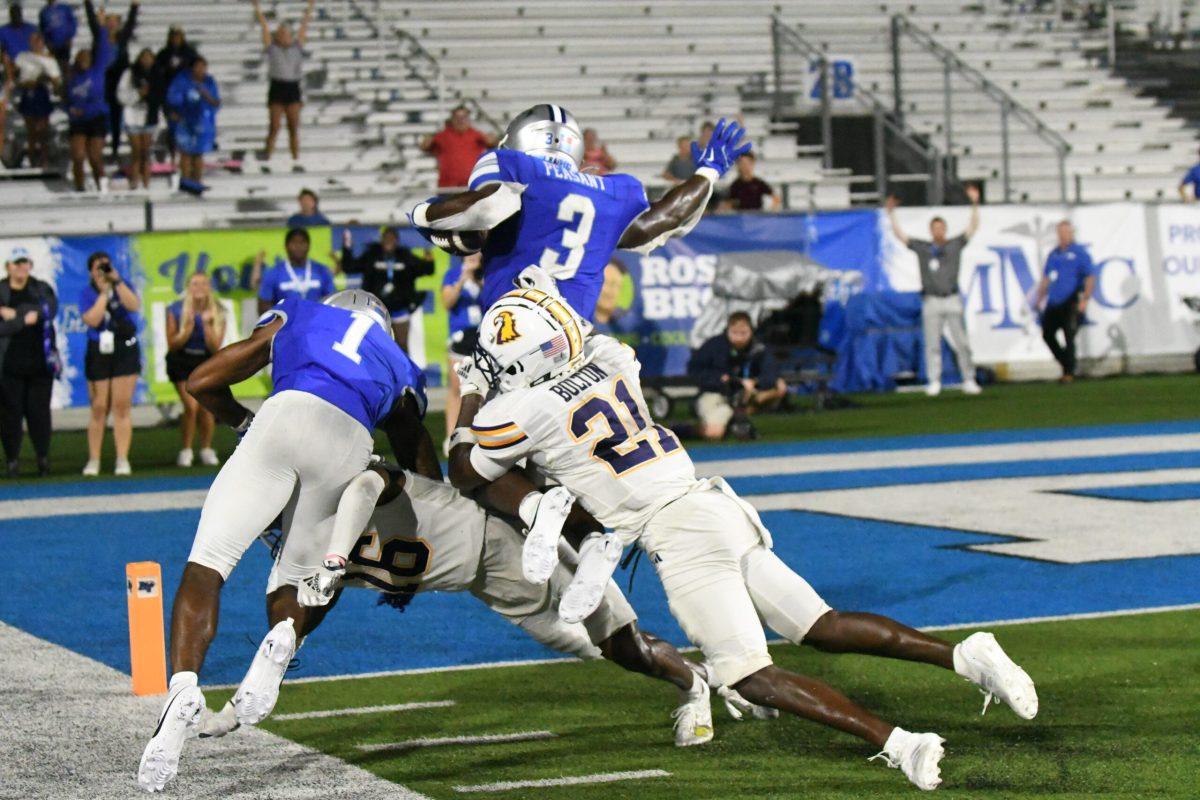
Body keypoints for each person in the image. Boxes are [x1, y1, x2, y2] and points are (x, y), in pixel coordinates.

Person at [447, 289, 1039, 792]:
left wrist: (471, 390)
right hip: (713, 502)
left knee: (746, 674)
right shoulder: (611, 357)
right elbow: (584, 345)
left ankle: (901, 743)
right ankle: (965, 656)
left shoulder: (527, 407)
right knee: (821, 625)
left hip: (672, 529)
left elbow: (464, 468)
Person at [136, 291, 439, 792]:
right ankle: (282, 642)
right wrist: (421, 520)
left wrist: (243, 421)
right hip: (348, 437)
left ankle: (183, 687)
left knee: (208, 562)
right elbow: (419, 458)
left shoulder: (301, 311)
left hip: (285, 412)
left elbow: (202, 380)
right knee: (309, 575)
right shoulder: (399, 361)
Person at [196, 461, 719, 748]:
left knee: (617, 641)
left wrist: (334, 557)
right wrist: (238, 704)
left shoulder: (339, 490)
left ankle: (699, 686)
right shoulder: (296, 558)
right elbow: (285, 635)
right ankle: (707, 675)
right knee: (593, 648)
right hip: (485, 583)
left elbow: (369, 481)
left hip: (505, 542)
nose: (276, 535)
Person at [409, 109, 749, 321]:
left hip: (511, 330)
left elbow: (486, 206)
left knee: (491, 430)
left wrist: (423, 215)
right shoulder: (612, 190)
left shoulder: (515, 166)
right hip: (573, 341)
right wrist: (708, 172)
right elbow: (663, 221)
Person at [886, 185, 982, 396]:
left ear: (945, 230)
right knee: (932, 344)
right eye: (935, 228)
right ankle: (934, 380)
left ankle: (969, 378)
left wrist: (975, 204)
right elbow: (901, 237)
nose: (938, 232)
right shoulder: (923, 248)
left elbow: (972, 228)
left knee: (962, 342)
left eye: (941, 228)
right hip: (931, 300)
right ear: (931, 231)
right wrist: (891, 215)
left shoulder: (954, 245)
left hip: (952, 297)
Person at [79, 250, 141, 476]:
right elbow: (92, 319)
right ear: (91, 272)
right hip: (99, 351)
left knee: (121, 405)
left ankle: (122, 458)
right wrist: (104, 293)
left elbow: (134, 305)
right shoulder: (87, 293)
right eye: (98, 268)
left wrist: (117, 282)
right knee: (99, 406)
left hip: (124, 349)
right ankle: (94, 458)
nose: (103, 271)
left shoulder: (123, 285)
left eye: (106, 266)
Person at [0, 247, 59, 478]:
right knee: (10, 415)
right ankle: (12, 460)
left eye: (24, 262)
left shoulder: (40, 288)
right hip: (9, 366)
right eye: (16, 263)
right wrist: (25, 320)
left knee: (39, 413)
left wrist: (14, 314)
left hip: (39, 364)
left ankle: (42, 458)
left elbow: (49, 310)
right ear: (8, 267)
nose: (21, 267)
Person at [687, 311, 787, 441]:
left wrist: (755, 382)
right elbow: (695, 370)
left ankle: (739, 418)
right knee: (713, 433)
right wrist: (720, 380)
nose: (739, 338)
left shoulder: (759, 348)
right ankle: (682, 430)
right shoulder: (714, 345)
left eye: (743, 333)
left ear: (751, 331)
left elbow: (772, 373)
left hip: (746, 394)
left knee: (779, 385)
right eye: (734, 333)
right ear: (727, 331)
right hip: (716, 394)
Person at [339, 225, 434, 348]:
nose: (389, 241)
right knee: (377, 346)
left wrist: (429, 257)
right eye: (386, 238)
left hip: (400, 308)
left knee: (401, 346)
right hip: (376, 309)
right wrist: (347, 248)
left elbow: (427, 270)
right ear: (381, 240)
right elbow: (349, 267)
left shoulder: (405, 257)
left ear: (397, 241)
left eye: (392, 239)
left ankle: (401, 367)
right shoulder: (371, 256)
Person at [165, 272, 224, 467]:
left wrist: (206, 325)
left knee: (207, 406)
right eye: (194, 284)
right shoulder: (175, 309)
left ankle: (206, 448)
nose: (199, 288)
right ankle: (186, 449)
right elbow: (173, 344)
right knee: (191, 406)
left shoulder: (218, 310)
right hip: (182, 359)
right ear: (188, 287)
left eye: (203, 284)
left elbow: (216, 347)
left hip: (206, 360)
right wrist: (188, 327)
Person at [1035, 220, 1095, 383]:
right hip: (1054, 301)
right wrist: (1039, 297)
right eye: (1060, 233)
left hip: (1071, 300)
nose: (1063, 236)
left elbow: (1090, 276)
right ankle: (1066, 363)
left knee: (1069, 335)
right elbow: (1047, 278)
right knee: (1047, 335)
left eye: (1066, 232)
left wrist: (1085, 299)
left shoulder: (1079, 252)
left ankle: (1068, 372)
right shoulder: (1054, 254)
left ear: (1071, 233)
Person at [253, 0, 312, 162]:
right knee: (274, 126)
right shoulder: (272, 49)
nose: (282, 36)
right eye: (279, 34)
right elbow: (264, 28)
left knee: (293, 127)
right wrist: (257, 9)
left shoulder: (297, 47)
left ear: (289, 36)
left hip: (292, 87)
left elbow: (304, 26)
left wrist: (309, 8)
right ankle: (267, 156)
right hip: (277, 87)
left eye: (284, 34)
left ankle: (296, 159)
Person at [66, 0, 110, 192]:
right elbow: (67, 99)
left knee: (95, 156)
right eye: (80, 57)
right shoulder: (72, 78)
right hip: (78, 119)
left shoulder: (97, 70)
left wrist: (101, 26)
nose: (84, 59)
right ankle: (79, 188)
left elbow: (101, 44)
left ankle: (102, 187)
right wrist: (70, 109)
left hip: (96, 117)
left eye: (87, 57)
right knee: (77, 156)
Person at [440, 252, 482, 449]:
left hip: (483, 337)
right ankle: (451, 437)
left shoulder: (487, 273)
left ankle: (481, 435)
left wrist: (477, 279)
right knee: (457, 388)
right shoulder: (453, 274)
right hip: (461, 337)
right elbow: (447, 302)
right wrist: (463, 278)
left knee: (484, 390)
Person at [166, 55, 219, 194]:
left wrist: (206, 95)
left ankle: (197, 182)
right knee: (186, 153)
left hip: (202, 123)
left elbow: (216, 102)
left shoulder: (209, 82)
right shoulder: (182, 80)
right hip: (185, 121)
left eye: (204, 67)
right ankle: (185, 181)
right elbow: (173, 99)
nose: (201, 69)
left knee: (198, 154)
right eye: (198, 66)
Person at [255, 228, 335, 313]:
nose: (298, 247)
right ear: (286, 246)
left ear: (308, 246)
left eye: (302, 243)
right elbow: (263, 306)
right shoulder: (273, 273)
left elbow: (333, 301)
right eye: (294, 243)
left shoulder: (321, 271)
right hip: (286, 324)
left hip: (317, 323)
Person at [418, 104, 497, 189]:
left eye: (464, 117)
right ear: (452, 119)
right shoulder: (443, 135)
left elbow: (492, 144)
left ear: (468, 119)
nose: (461, 121)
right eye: (457, 117)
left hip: (471, 188)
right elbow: (425, 147)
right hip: (448, 187)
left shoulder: (476, 135)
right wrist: (427, 141)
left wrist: (493, 140)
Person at [150, 25, 197, 162]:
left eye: (179, 36)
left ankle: (187, 153)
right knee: (172, 125)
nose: (176, 39)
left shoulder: (190, 54)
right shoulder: (163, 54)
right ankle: (173, 154)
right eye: (174, 36)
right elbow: (158, 75)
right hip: (169, 97)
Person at [13, 30, 60, 168]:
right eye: (33, 40)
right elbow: (17, 77)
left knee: (42, 129)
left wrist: (45, 80)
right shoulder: (22, 57)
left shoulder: (49, 60)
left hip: (41, 93)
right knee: (31, 129)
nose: (36, 43)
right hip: (28, 92)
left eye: (38, 40)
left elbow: (56, 81)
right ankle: (33, 158)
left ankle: (44, 158)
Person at [101, 0, 138, 158]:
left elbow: (130, 25)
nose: (111, 24)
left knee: (120, 114)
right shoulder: (101, 38)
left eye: (114, 21)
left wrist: (134, 7)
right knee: (106, 115)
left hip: (120, 81)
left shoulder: (122, 39)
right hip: (105, 81)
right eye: (108, 21)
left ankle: (117, 147)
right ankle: (105, 143)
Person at [118, 47, 155, 189]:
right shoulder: (129, 73)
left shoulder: (156, 74)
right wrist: (138, 94)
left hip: (149, 116)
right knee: (136, 151)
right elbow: (121, 95)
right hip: (132, 116)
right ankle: (134, 181)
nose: (146, 60)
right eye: (144, 57)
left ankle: (146, 183)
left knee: (146, 151)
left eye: (149, 57)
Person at [38, 0, 76, 77]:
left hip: (64, 42)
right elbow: (42, 29)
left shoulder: (65, 8)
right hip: (53, 44)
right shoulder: (43, 12)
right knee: (55, 66)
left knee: (65, 64)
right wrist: (47, 42)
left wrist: (70, 37)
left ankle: (67, 82)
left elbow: (72, 22)